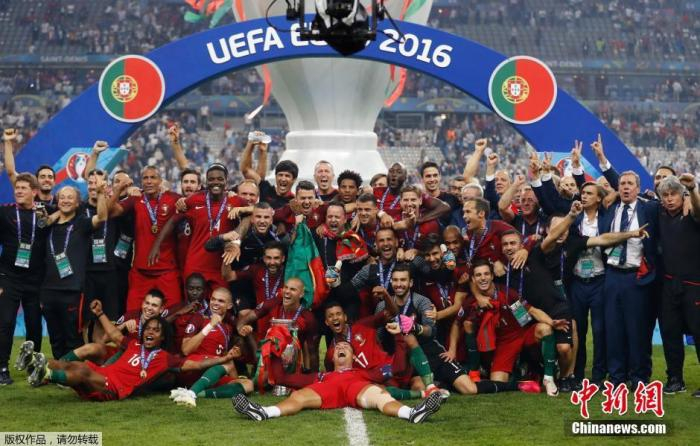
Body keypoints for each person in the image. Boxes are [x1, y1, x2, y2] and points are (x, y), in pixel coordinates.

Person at [24, 314, 239, 401]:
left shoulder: (165, 358)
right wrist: (100, 314)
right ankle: (31, 360)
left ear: (162, 337)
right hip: (103, 373)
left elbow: (196, 364)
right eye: (148, 329)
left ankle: (47, 375)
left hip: (113, 388)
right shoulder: (134, 343)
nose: (150, 332)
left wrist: (223, 359)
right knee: (70, 364)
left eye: (156, 330)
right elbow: (115, 335)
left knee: (81, 370)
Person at [232, 340, 444, 423]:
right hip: (328, 387)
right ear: (332, 358)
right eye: (337, 348)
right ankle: (264, 412)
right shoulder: (321, 375)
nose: (341, 348)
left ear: (353, 356)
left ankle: (411, 413)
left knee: (381, 396)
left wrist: (398, 339)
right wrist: (275, 353)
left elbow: (397, 369)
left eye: (346, 347)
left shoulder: (365, 372)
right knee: (299, 396)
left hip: (358, 385)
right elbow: (282, 378)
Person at [600, 170, 660, 386]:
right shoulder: (610, 209)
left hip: (637, 277)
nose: (625, 187)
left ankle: (639, 376)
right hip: (612, 275)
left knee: (637, 329)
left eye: (630, 184)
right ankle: (617, 377)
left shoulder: (649, 208)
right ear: (617, 188)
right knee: (613, 328)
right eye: (622, 183)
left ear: (638, 188)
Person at [150, 164, 248, 289]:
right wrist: (157, 245)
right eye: (211, 179)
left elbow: (253, 213)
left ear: (226, 181)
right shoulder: (195, 199)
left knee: (220, 301)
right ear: (206, 182)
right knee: (194, 301)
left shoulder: (236, 201)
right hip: (195, 265)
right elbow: (173, 220)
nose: (215, 182)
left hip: (221, 267)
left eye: (220, 179)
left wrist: (237, 239)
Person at [41, 184, 108, 360]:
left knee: (73, 336)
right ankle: (59, 370)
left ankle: (73, 370)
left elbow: (102, 217)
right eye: (62, 197)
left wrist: (101, 194)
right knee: (55, 337)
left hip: (72, 290)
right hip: (48, 290)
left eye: (70, 197)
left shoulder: (82, 223)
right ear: (57, 202)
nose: (66, 200)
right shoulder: (47, 225)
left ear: (78, 203)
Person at [110, 166, 183, 310]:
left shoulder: (173, 198)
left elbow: (194, 200)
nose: (149, 181)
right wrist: (118, 190)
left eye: (153, 177)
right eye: (145, 178)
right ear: (141, 181)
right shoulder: (136, 199)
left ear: (160, 181)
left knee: (173, 313)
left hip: (167, 271)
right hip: (141, 272)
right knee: (132, 314)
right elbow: (112, 212)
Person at [0, 172, 49, 385]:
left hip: (35, 279)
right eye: (17, 188)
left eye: (23, 188)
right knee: (5, 322)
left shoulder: (45, 213)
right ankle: (2, 368)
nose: (18, 191)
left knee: (34, 324)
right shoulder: (5, 212)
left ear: (34, 192)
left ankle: (34, 366)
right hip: (9, 277)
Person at [656, 175, 700, 396]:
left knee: (699, 332)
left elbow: (699, 211)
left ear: (682, 196)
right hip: (669, 285)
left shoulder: (691, 213)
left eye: (673, 194)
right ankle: (675, 379)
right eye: (665, 195)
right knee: (670, 332)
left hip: (694, 285)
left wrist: (692, 190)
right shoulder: (659, 214)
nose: (669, 198)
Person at [240, 132, 297, 209]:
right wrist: (251, 143)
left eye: (287, 176)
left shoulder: (295, 203)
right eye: (280, 175)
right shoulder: (267, 190)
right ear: (276, 176)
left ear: (294, 179)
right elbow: (246, 170)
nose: (283, 179)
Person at [420, 161, 460, 228]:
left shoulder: (452, 199)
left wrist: (421, 219)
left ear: (440, 177)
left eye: (435, 175)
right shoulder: (418, 201)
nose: (432, 179)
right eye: (428, 176)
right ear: (422, 179)